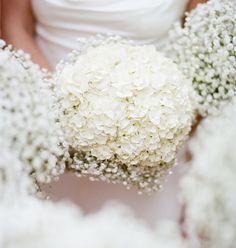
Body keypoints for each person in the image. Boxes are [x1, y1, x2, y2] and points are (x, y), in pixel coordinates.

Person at [2, 0, 207, 224]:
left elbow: (202, 49)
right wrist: (56, 112)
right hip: (48, 139)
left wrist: (166, 128)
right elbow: (13, 25)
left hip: (151, 145)